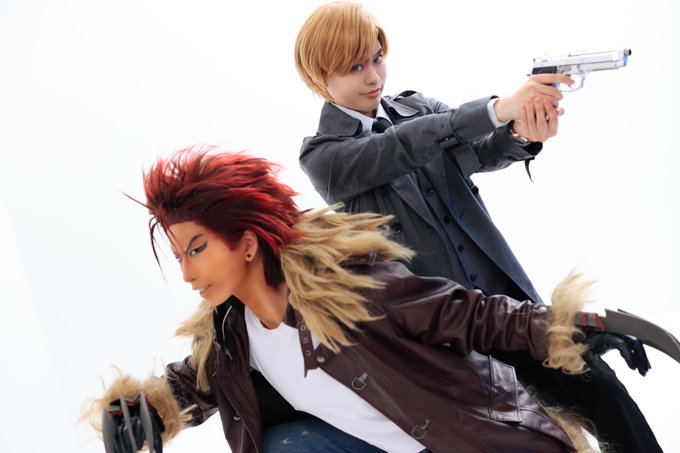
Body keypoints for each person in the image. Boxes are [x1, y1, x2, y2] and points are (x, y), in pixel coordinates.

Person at [84, 147, 662, 453]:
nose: (188, 273)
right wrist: (139, 414)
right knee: (285, 446)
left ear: (249, 242)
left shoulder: (349, 290)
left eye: (197, 249)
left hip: (473, 441)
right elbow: (185, 387)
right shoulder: (231, 343)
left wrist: (569, 326)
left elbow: (470, 313)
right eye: (179, 258)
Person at [293, 2, 661, 452]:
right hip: (446, 341)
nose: (373, 76)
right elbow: (403, 147)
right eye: (355, 67)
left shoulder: (415, 106)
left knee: (604, 391)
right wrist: (499, 108)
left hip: (511, 313)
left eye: (376, 58)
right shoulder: (323, 156)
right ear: (321, 77)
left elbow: (481, 149)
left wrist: (522, 131)